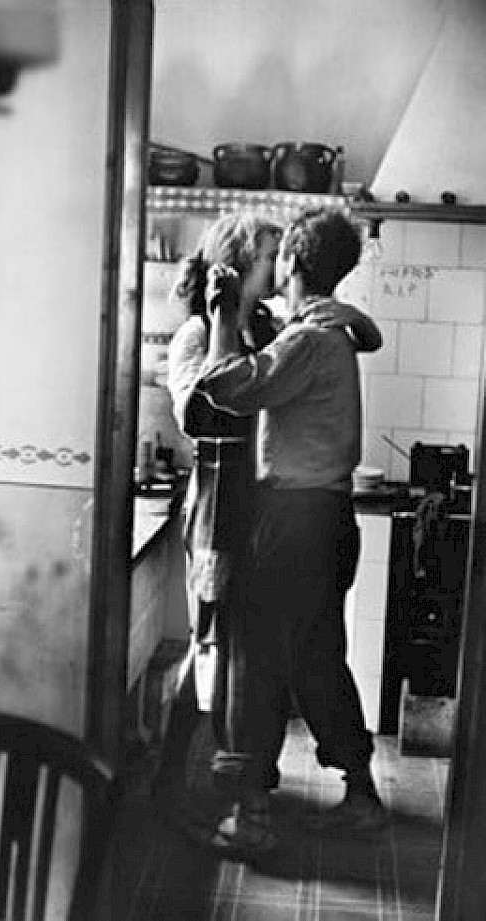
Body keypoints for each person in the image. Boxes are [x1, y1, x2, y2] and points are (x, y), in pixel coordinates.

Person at [190, 207, 384, 853]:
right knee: (318, 657)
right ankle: (361, 795)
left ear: (296, 265)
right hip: (328, 519)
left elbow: (224, 388)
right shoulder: (328, 328)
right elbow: (367, 330)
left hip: (293, 520)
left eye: (279, 257)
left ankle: (250, 816)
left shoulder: (306, 339)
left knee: (254, 659)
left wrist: (221, 318)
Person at [152, 212, 283, 814]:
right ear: (234, 266)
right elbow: (197, 418)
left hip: (259, 507)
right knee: (212, 642)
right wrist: (225, 323)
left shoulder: (270, 325)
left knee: (248, 647)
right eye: (268, 255)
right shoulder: (197, 335)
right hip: (216, 510)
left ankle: (241, 777)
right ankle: (171, 770)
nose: (279, 267)